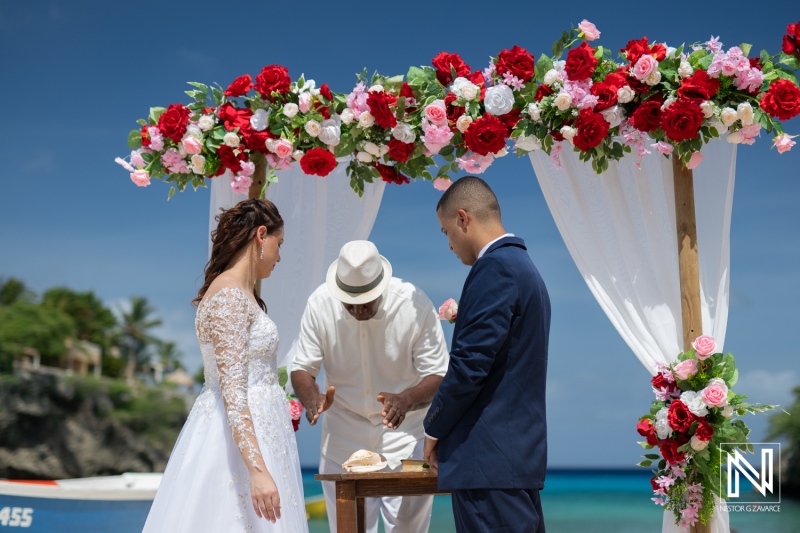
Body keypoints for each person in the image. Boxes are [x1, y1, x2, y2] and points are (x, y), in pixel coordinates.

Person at [143, 198, 308, 533]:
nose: (280, 256)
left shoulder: (242, 294)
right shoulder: (230, 297)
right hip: (234, 447)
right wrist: (258, 471)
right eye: (280, 244)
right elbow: (233, 391)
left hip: (260, 435)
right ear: (262, 235)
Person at [291, 240, 449, 533]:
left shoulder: (414, 303)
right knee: (348, 529)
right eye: (349, 302)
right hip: (342, 439)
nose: (358, 309)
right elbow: (302, 367)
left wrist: (406, 398)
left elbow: (439, 375)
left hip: (406, 441)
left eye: (366, 301)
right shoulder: (319, 303)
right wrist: (312, 397)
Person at [423, 176, 551, 533]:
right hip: (515, 457)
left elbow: (470, 365)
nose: (448, 245)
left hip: (487, 459)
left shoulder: (495, 268)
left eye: (446, 231)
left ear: (464, 219)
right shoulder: (525, 268)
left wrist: (433, 429)